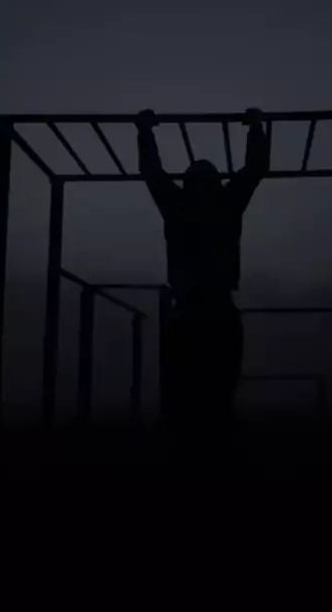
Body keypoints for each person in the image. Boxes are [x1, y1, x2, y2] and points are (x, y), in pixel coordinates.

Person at [136, 108, 269, 432]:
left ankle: (185, 435)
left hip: (188, 309)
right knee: (221, 383)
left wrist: (145, 131)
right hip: (219, 307)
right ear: (216, 182)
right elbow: (255, 168)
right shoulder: (227, 202)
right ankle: (215, 432)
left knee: (182, 384)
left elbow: (152, 172)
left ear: (187, 183)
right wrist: (255, 128)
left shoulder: (177, 204)